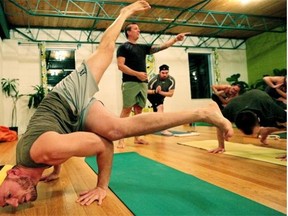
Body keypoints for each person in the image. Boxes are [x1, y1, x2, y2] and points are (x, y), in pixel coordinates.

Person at [0, 1, 234, 208]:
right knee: (113, 127)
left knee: (106, 59)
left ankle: (124, 12)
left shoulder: (43, 151)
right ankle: (204, 111)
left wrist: (101, 187)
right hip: (71, 117)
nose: (13, 203)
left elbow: (103, 145)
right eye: (7, 204)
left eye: (7, 194)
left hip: (66, 97)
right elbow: (56, 141)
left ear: (13, 172)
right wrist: (56, 169)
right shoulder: (36, 160)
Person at [116, 21, 189, 148]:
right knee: (127, 109)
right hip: (130, 82)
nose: (139, 30)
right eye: (136, 28)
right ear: (128, 32)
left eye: (139, 29)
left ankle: (137, 137)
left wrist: (175, 39)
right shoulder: (123, 47)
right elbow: (120, 66)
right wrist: (137, 74)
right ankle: (120, 139)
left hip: (143, 83)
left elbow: (161, 47)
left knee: (139, 110)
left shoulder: (142, 48)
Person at [209, 89, 287, 159]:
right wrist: (221, 146)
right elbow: (219, 124)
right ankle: (265, 131)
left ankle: (267, 130)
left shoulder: (271, 110)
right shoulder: (230, 110)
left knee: (284, 126)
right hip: (245, 102)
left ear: (258, 122)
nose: (254, 136)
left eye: (257, 132)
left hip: (261, 98)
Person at [147, 64, 175, 136]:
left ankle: (151, 127)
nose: (165, 75)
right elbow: (145, 91)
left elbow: (171, 94)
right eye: (163, 73)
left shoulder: (171, 80)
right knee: (160, 108)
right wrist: (155, 91)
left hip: (161, 95)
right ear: (159, 72)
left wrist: (160, 92)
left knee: (157, 112)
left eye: (166, 73)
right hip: (151, 95)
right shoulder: (154, 80)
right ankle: (163, 129)